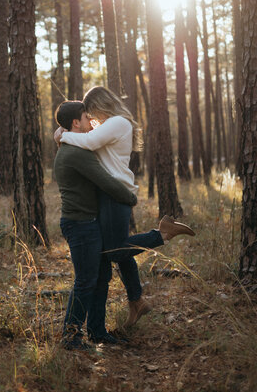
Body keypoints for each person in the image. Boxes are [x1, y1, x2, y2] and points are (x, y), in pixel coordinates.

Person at [56, 86, 195, 327]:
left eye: (91, 112)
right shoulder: (109, 124)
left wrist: (61, 136)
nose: (91, 118)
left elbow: (88, 141)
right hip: (108, 194)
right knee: (118, 249)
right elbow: (86, 134)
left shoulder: (119, 122)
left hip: (115, 193)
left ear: (100, 104)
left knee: (115, 251)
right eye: (87, 115)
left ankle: (162, 233)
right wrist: (65, 130)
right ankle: (136, 301)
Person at [54, 100, 137, 350]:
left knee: (101, 277)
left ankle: (97, 331)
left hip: (88, 223)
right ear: (75, 123)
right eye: (86, 118)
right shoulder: (76, 153)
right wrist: (130, 198)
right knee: (86, 281)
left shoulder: (72, 146)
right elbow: (107, 182)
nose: (92, 122)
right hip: (80, 225)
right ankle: (71, 336)